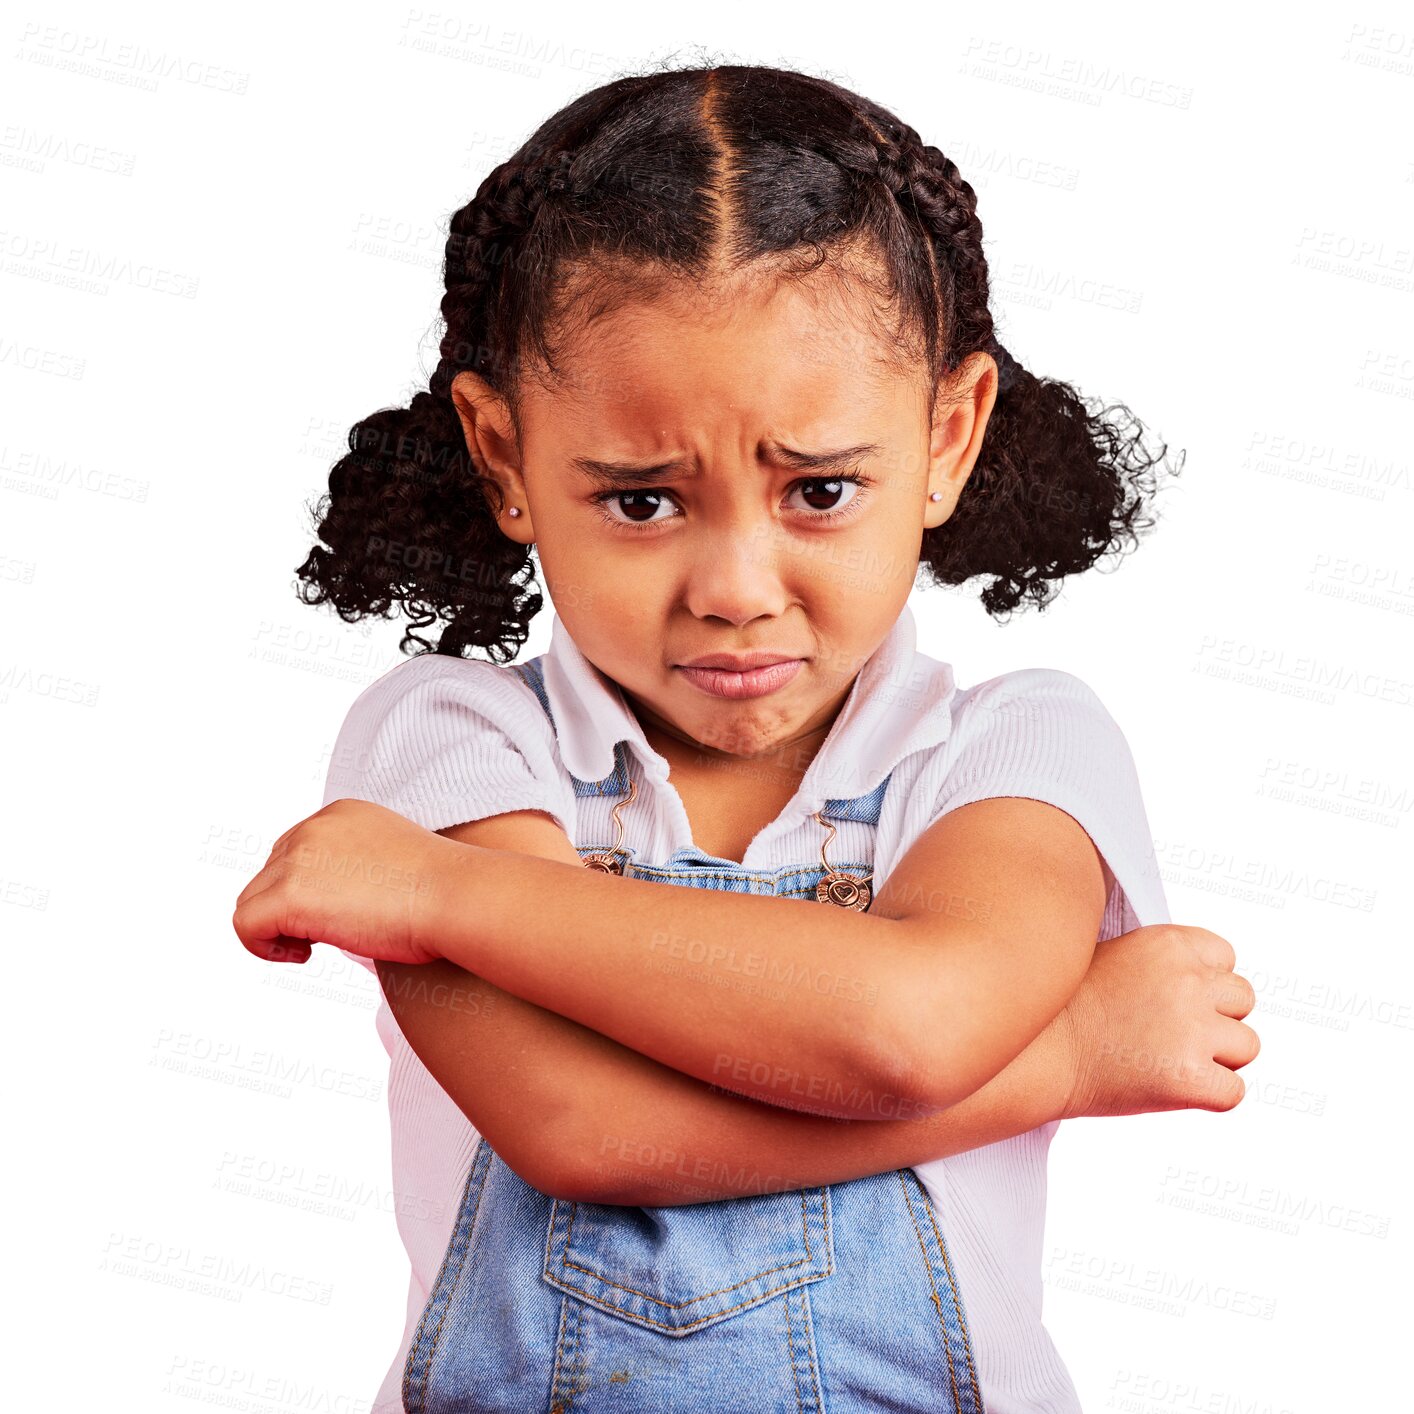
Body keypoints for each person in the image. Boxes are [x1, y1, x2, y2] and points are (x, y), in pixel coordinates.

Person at [233, 62, 1259, 1414]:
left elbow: (913, 1022)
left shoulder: (1011, 749)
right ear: (505, 456)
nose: (732, 584)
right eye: (644, 502)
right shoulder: (450, 739)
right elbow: (577, 1125)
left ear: (946, 435)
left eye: (819, 489)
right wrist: (1063, 1051)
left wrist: (443, 893)